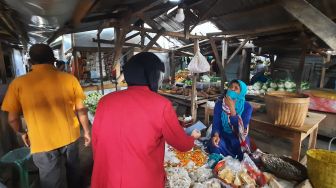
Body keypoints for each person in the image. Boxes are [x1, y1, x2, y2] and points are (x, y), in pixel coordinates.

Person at [91, 52, 201, 188]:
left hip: (106, 177)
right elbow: (182, 144)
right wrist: (192, 138)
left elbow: (96, 141)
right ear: (152, 75)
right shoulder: (161, 104)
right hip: (141, 179)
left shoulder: (105, 102)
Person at [1, 44, 91, 188]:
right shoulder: (69, 79)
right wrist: (86, 131)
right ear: (53, 60)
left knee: (51, 181)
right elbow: (81, 109)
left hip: (41, 141)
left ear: (30, 62)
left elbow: (12, 118)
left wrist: (22, 133)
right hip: (70, 136)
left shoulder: (18, 83)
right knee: (74, 170)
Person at [208, 79, 253, 160]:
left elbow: (240, 130)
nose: (232, 89)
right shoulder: (219, 104)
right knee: (215, 146)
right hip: (223, 135)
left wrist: (232, 109)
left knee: (244, 154)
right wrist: (216, 135)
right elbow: (216, 123)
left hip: (238, 137)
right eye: (231, 87)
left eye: (236, 88)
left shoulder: (247, 107)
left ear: (241, 93)